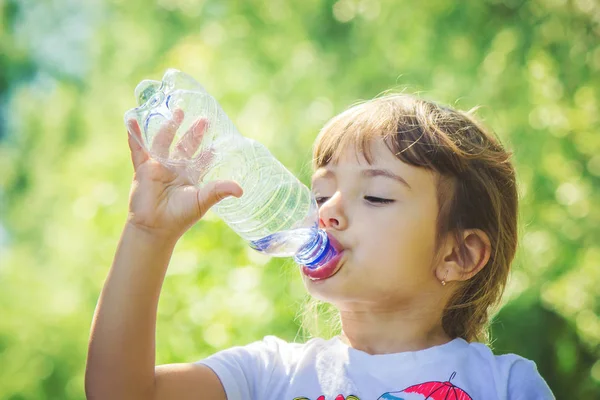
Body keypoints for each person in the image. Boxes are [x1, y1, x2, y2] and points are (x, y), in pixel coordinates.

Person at [85, 94, 555, 400]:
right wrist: (147, 233)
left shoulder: (507, 385)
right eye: (319, 194)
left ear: (459, 255)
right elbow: (120, 393)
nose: (326, 211)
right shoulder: (271, 375)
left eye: (375, 196)